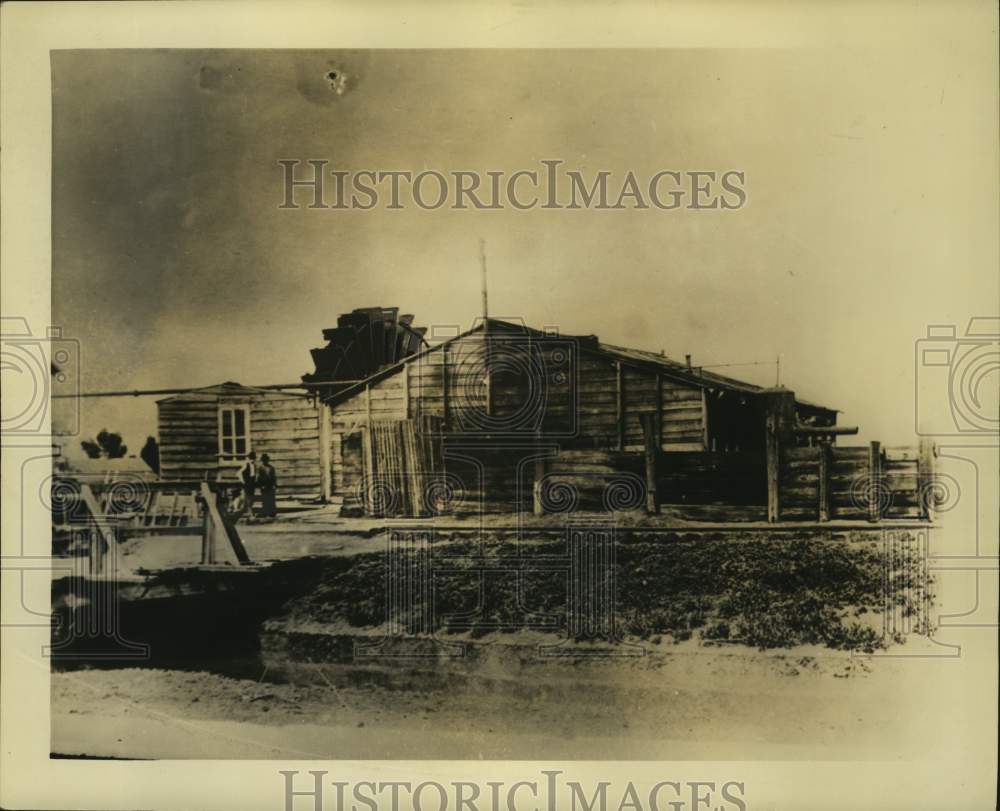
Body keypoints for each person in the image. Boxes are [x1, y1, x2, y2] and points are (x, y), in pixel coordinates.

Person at [256, 453, 278, 518]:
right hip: (264, 486)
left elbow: (274, 477)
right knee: (264, 499)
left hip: (270, 485)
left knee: (271, 499)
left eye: (266, 460)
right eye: (264, 460)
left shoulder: (271, 468)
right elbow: (258, 478)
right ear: (262, 460)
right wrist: (260, 485)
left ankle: (272, 513)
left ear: (268, 460)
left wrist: (274, 485)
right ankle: (264, 512)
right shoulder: (260, 468)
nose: (265, 461)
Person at [238, 451, 257, 518]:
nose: (252, 460)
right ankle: (250, 514)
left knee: (251, 499)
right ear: (249, 458)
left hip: (252, 484)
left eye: (253, 458)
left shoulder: (254, 465)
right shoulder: (246, 464)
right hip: (247, 483)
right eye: (251, 458)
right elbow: (239, 473)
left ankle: (246, 512)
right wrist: (243, 481)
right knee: (248, 499)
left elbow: (253, 475)